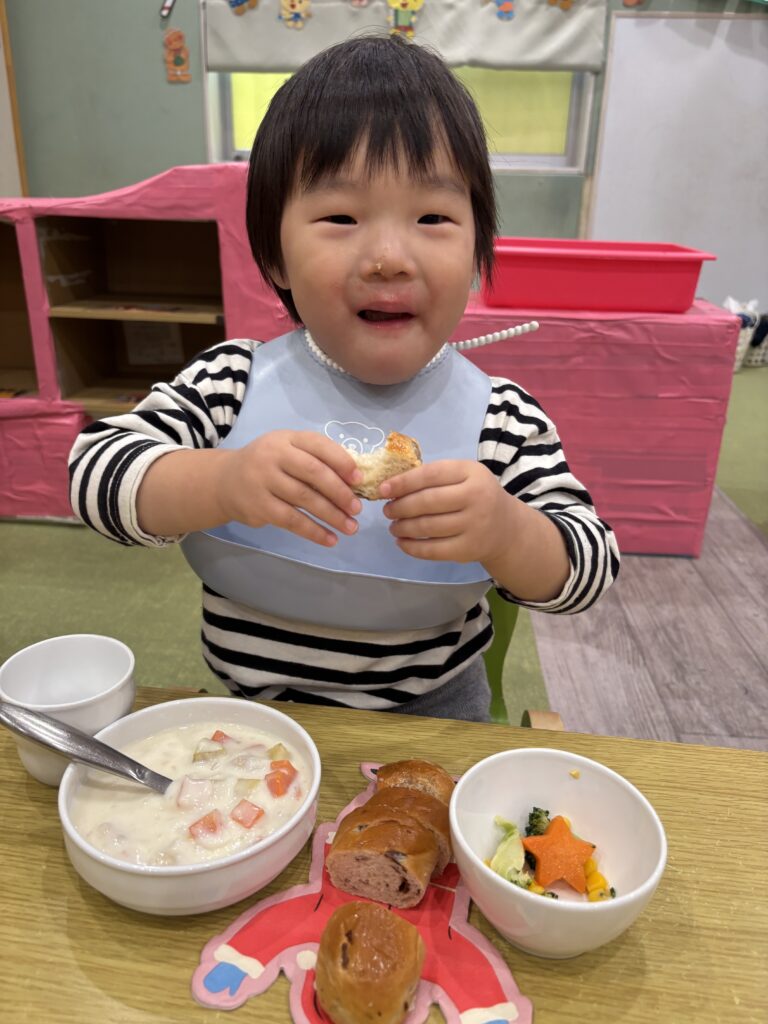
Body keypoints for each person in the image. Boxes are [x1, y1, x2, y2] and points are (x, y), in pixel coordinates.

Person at [68, 34, 620, 722]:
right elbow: (93, 473)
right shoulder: (231, 381)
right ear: (275, 255)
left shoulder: (502, 420)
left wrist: (508, 533)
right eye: (340, 217)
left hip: (435, 719)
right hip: (258, 721)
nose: (389, 256)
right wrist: (220, 481)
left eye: (433, 217)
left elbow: (589, 569)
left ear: (478, 250)